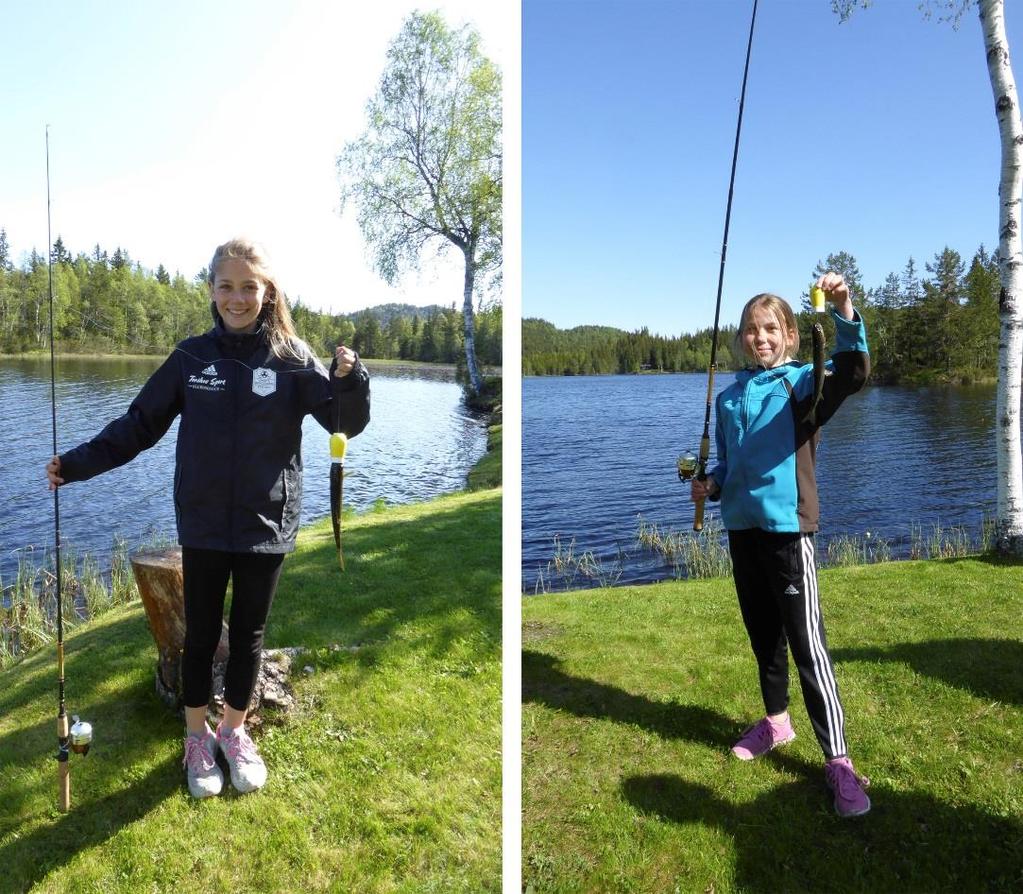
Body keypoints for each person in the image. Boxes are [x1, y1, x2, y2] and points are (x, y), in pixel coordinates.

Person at [46, 238, 370, 799]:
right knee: (199, 637)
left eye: (249, 286)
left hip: (267, 524)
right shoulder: (191, 359)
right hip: (202, 523)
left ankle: (234, 732)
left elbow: (344, 421)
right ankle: (197, 739)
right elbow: (138, 425)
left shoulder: (292, 358)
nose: (238, 298)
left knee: (247, 638)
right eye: (227, 286)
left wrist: (350, 378)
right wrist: (74, 466)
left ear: (267, 292)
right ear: (212, 290)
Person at [689, 271, 871, 817]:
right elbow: (729, 462)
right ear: (741, 337)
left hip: (789, 533)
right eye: (751, 329)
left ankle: (838, 761)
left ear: (791, 335)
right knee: (763, 638)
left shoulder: (803, 385)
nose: (760, 337)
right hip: (741, 531)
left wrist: (843, 309)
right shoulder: (728, 399)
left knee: (806, 647)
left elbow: (854, 373)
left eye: (771, 328)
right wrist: (712, 484)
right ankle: (776, 722)